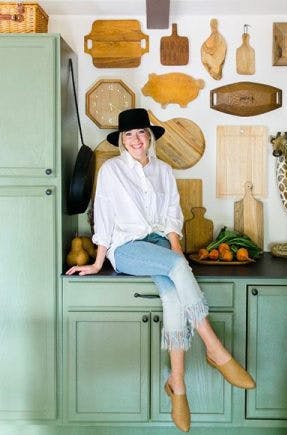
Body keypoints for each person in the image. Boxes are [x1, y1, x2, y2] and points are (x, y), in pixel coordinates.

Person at [66, 108, 254, 432]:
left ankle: (177, 384)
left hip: (159, 244)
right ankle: (215, 348)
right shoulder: (111, 170)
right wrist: (98, 261)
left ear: (149, 136)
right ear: (122, 141)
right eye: (129, 135)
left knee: (172, 296)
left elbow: (172, 213)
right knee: (178, 268)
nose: (136, 140)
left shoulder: (164, 170)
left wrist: (175, 248)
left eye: (141, 133)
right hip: (126, 248)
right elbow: (105, 215)